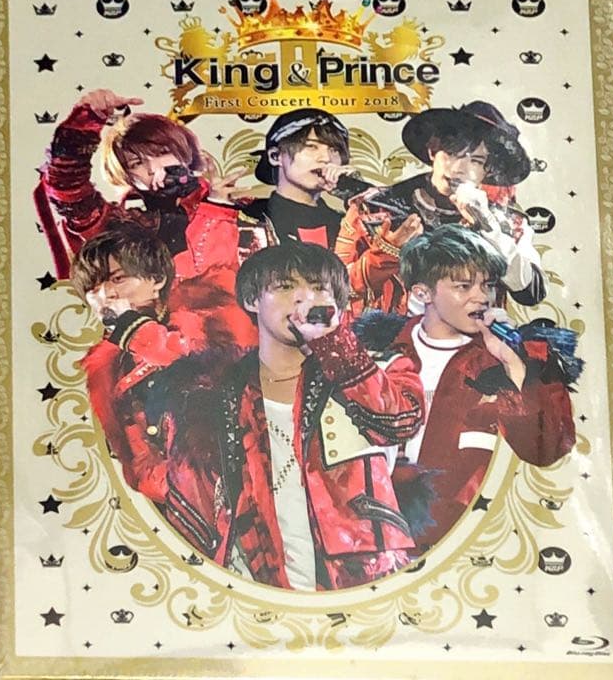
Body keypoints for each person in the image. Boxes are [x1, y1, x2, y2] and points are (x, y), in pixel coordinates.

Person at [167, 243, 425, 590]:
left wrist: (334, 346)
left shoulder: (374, 368)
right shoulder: (214, 395)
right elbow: (190, 511)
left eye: (319, 288)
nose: (305, 299)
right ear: (252, 300)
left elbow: (400, 422)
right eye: (286, 287)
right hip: (255, 584)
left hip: (359, 582)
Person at [354, 224, 580, 549]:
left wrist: (514, 364)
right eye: (463, 286)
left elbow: (546, 449)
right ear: (422, 293)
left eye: (487, 285)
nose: (481, 297)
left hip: (459, 545)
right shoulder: (375, 350)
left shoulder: (504, 360)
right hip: (368, 539)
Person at [70, 224, 255, 504]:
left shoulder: (208, 311)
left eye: (118, 279)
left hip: (254, 481)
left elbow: (212, 361)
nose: (105, 295)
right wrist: (177, 485)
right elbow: (137, 461)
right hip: (191, 507)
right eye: (92, 289)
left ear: (156, 280)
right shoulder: (109, 370)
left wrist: (135, 330)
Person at [334, 101, 546, 315]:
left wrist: (489, 229)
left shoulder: (508, 223)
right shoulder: (373, 207)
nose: (458, 169)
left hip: (475, 335)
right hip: (394, 334)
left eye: (475, 161)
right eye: (452, 153)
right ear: (433, 150)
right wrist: (384, 254)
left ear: (488, 170)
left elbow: (532, 293)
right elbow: (335, 290)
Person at [34, 88, 245, 281]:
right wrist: (87, 119)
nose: (153, 168)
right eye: (137, 163)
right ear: (127, 176)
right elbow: (67, 187)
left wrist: (219, 205)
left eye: (162, 153)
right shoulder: (121, 226)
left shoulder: (238, 206)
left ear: (185, 152)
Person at [246, 109, 357, 248]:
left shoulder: (346, 224)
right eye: (311, 146)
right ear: (275, 156)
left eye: (334, 150)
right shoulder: (248, 218)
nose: (326, 158)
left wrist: (359, 197)